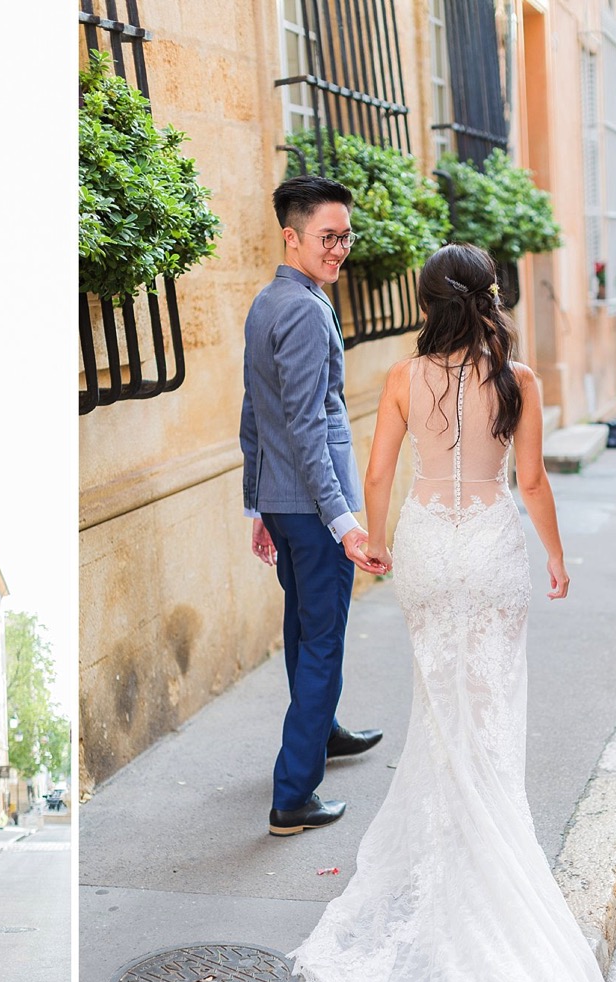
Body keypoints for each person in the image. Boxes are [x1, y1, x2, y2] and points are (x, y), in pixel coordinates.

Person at [290, 243, 616, 982]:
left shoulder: (405, 377)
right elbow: (528, 483)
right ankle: (488, 848)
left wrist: (368, 544)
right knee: (490, 720)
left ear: (425, 302)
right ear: (491, 296)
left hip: (425, 551)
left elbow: (376, 472)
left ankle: (454, 854)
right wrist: (559, 560)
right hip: (487, 551)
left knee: (437, 714)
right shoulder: (518, 376)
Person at [240, 174, 383, 839]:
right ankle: (293, 796)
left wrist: (256, 504)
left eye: (345, 236)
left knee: (305, 628)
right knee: (322, 641)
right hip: (315, 505)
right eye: (328, 237)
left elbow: (254, 412)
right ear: (291, 236)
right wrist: (343, 519)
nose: (340, 249)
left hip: (286, 500)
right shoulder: (301, 308)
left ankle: (321, 732)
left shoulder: (270, 301)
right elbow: (301, 423)